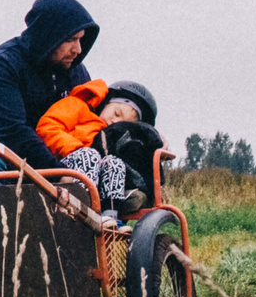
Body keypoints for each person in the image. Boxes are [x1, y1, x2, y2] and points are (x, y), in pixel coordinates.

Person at [0, 0, 100, 173]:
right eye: (70, 40)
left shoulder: (76, 71)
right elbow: (13, 132)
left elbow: (87, 123)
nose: (78, 49)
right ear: (48, 37)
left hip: (50, 153)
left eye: (81, 39)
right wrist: (59, 173)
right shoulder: (2, 64)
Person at [34, 78, 161, 223]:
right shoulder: (77, 105)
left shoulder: (108, 133)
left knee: (114, 162)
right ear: (106, 103)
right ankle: (81, 214)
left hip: (93, 177)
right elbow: (47, 127)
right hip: (61, 165)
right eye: (116, 113)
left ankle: (110, 218)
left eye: (121, 122)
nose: (114, 121)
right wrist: (77, 148)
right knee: (90, 155)